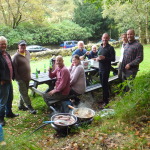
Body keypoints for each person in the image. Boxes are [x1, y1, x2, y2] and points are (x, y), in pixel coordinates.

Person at [12, 40, 36, 114]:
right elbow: (14, 69)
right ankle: (30, 107)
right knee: (24, 93)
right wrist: (18, 78)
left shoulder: (27, 53)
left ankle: (21, 105)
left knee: (23, 92)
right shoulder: (15, 57)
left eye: (24, 45)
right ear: (18, 46)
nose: (23, 47)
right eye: (21, 45)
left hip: (27, 77)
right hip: (20, 79)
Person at [0, 36, 19, 126]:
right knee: (3, 101)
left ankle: (9, 113)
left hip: (9, 80)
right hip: (3, 82)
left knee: (10, 98)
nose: (3, 45)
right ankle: (1, 119)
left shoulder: (6, 54)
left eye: (5, 44)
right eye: (2, 44)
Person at [96, 33, 115, 106]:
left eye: (106, 38)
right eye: (104, 37)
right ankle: (104, 99)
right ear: (102, 38)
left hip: (106, 69)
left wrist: (105, 58)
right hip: (100, 68)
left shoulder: (110, 48)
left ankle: (106, 101)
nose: (105, 39)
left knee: (105, 85)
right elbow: (98, 55)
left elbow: (113, 59)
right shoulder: (100, 47)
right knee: (102, 84)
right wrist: (97, 58)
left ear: (109, 38)